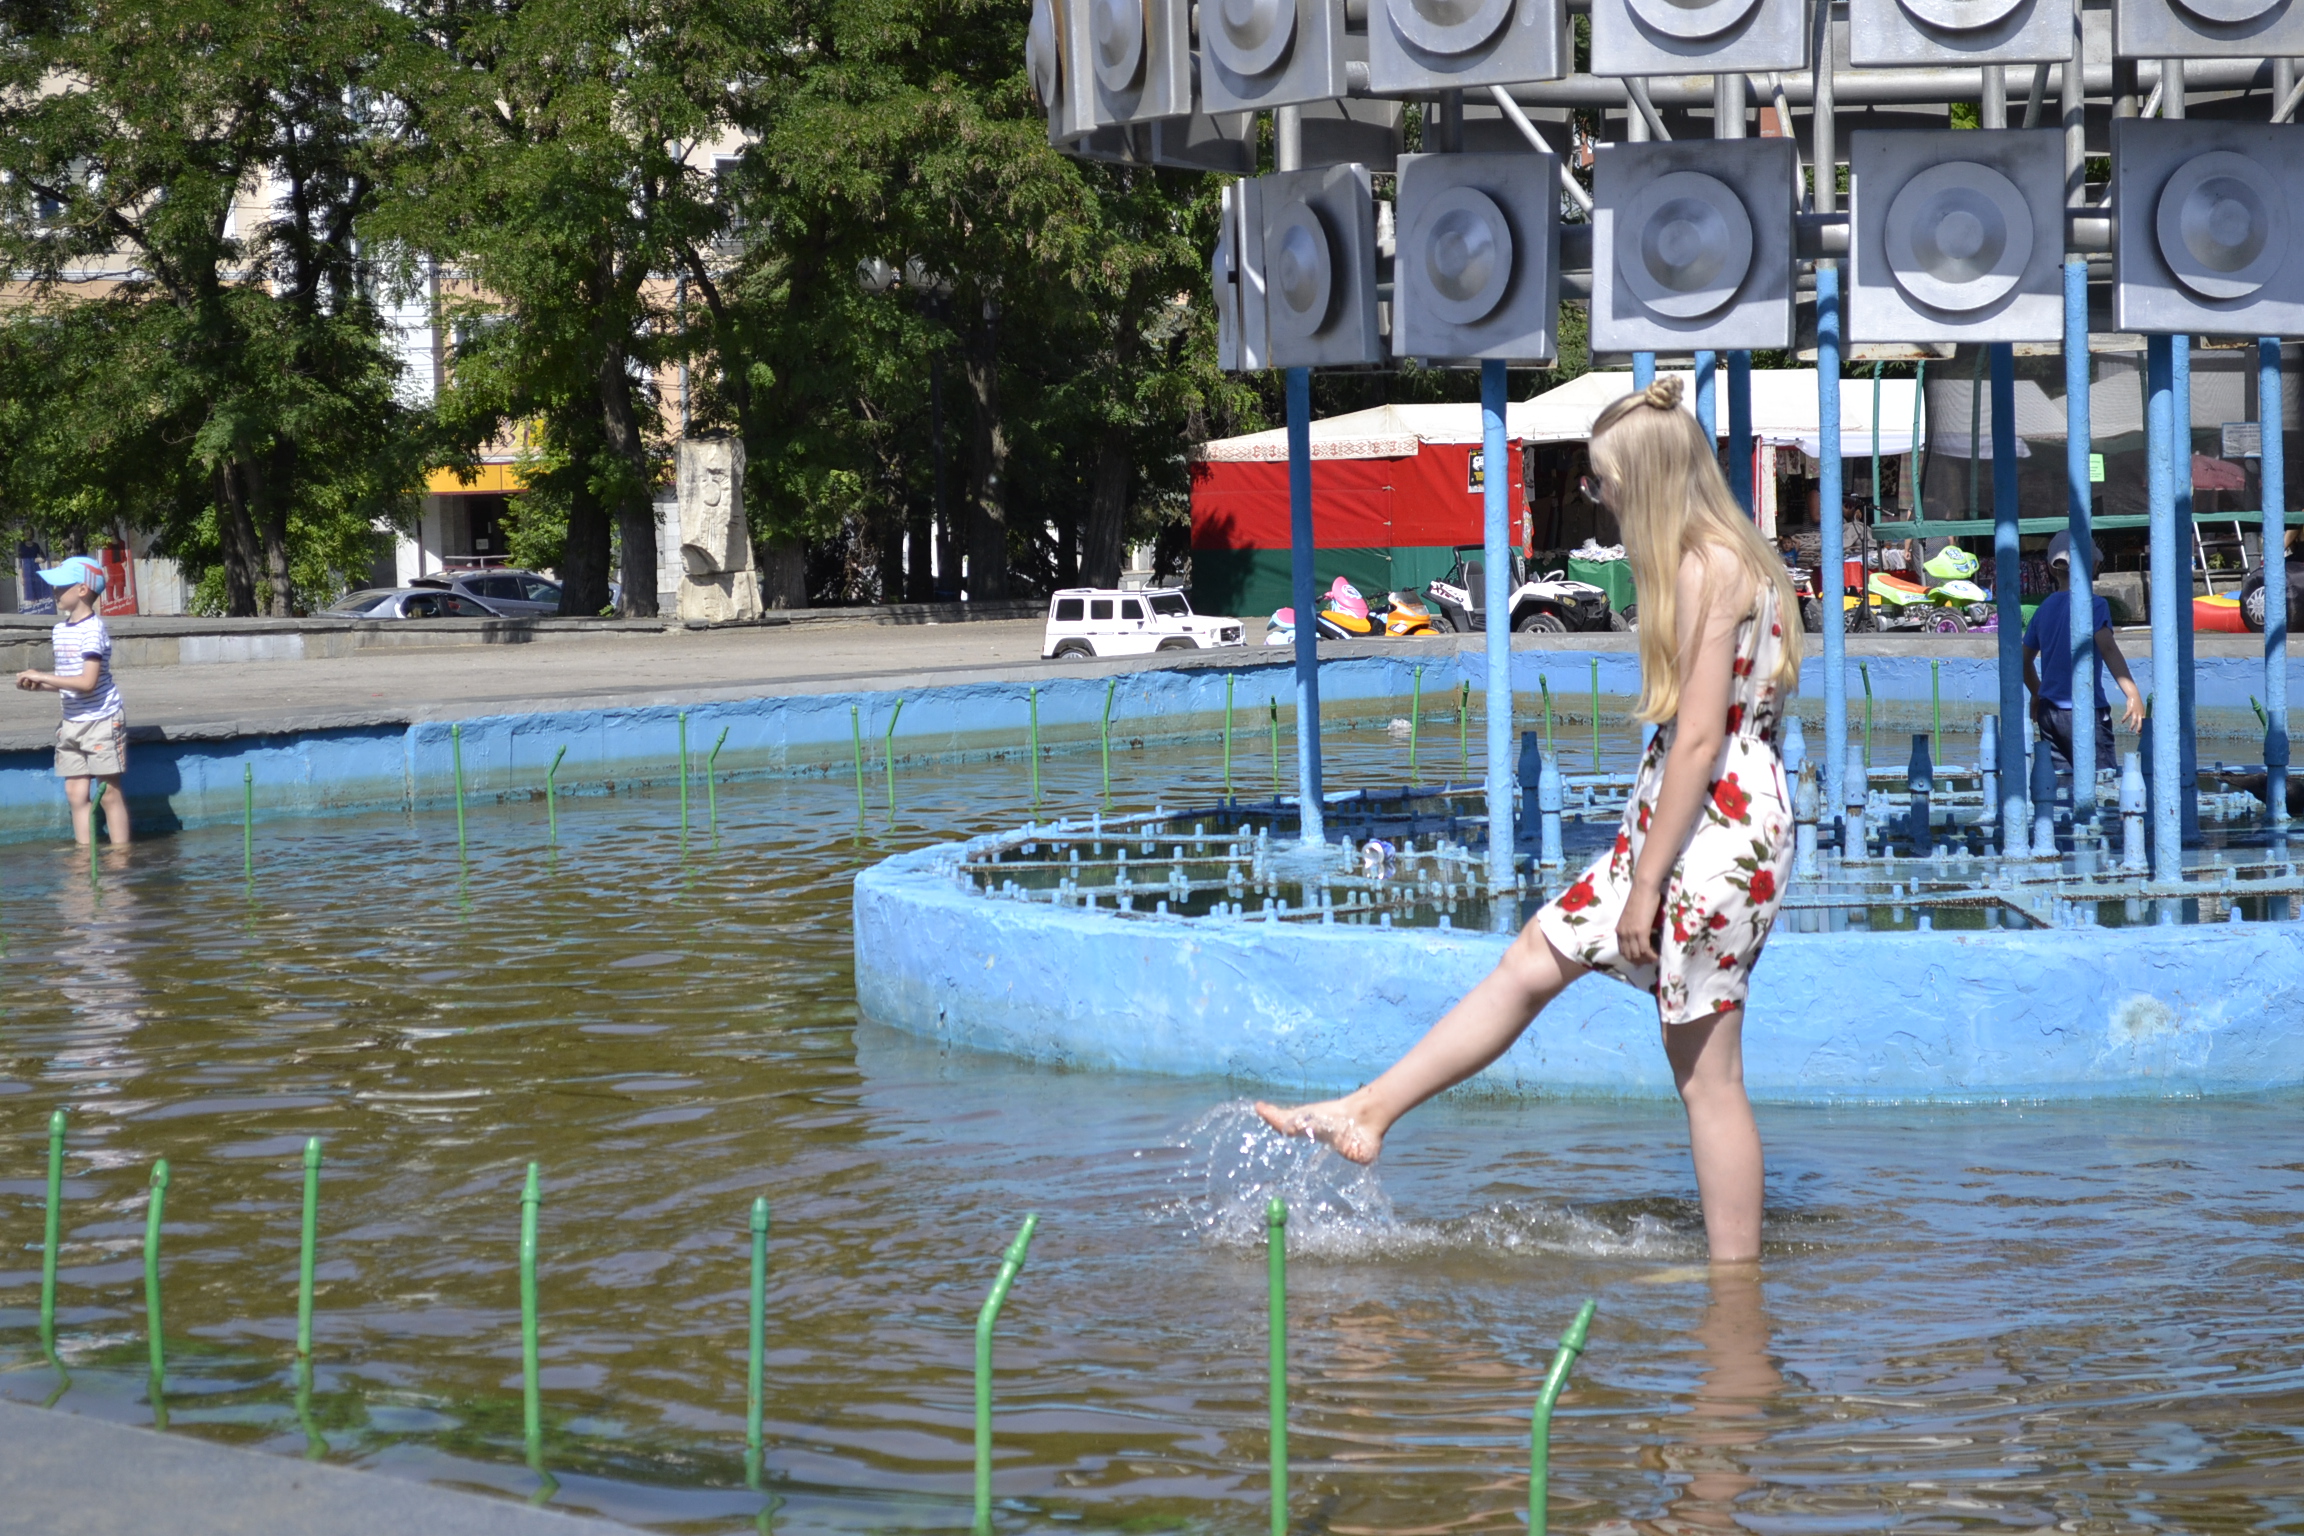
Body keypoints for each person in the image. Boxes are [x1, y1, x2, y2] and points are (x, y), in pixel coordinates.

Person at [1255, 375, 1801, 1264]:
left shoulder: (1710, 565)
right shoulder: (1729, 558)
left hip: (1712, 831)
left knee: (1708, 1077)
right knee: (1533, 958)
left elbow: (1701, 741)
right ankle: (1369, 1109)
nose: (1599, 496)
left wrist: (1649, 885)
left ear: (1649, 480)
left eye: (1603, 480)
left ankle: (1732, 1295)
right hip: (1695, 817)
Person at [13, 553, 131, 847]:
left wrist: (44, 676)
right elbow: (70, 683)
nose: (54, 592)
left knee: (109, 792)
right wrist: (39, 686)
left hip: (101, 720)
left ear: (82, 590)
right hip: (72, 721)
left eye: (60, 586)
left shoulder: (93, 631)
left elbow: (88, 683)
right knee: (76, 793)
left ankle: (120, 857)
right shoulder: (60, 630)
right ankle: (84, 856)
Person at [2020, 531, 2144, 773]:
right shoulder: (2094, 605)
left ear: (2051, 569)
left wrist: (2038, 692)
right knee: (2101, 781)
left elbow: (2023, 661)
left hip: (2050, 713)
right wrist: (2133, 693)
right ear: (2095, 565)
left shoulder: (2043, 610)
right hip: (2085, 712)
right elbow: (2107, 648)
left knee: (2060, 783)